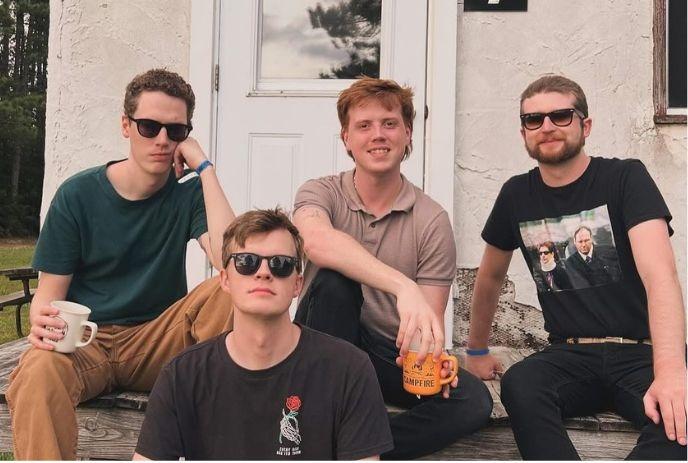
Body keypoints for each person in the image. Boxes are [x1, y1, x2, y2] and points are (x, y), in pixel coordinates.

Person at [6, 68, 236, 460]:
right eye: (149, 126)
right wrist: (43, 324)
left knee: (231, 286)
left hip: (156, 341)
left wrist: (206, 169)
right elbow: (49, 299)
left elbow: (230, 260)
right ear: (126, 126)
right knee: (37, 371)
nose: (163, 140)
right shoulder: (78, 195)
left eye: (175, 131)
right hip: (86, 342)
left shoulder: (188, 194)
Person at [465, 74, 686, 460]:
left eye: (560, 115)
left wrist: (670, 372)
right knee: (521, 382)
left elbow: (660, 277)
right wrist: (477, 348)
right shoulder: (516, 194)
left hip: (641, 354)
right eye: (533, 119)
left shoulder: (625, 177)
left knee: (680, 417)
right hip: (569, 357)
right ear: (523, 134)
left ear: (585, 125)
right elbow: (489, 278)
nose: (546, 126)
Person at [292, 77, 493, 460]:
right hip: (322, 345)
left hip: (388, 356)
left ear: (408, 133)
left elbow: (425, 324)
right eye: (363, 126)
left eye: (388, 123)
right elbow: (315, 240)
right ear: (346, 139)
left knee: (471, 401)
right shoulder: (321, 192)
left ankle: (354, 447)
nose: (377, 136)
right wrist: (403, 286)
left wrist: (428, 360)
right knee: (335, 283)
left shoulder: (432, 219)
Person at [133, 208, 393, 460]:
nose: (263, 272)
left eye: (280, 264)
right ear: (224, 279)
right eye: (247, 262)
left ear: (297, 284)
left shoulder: (349, 370)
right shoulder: (182, 375)